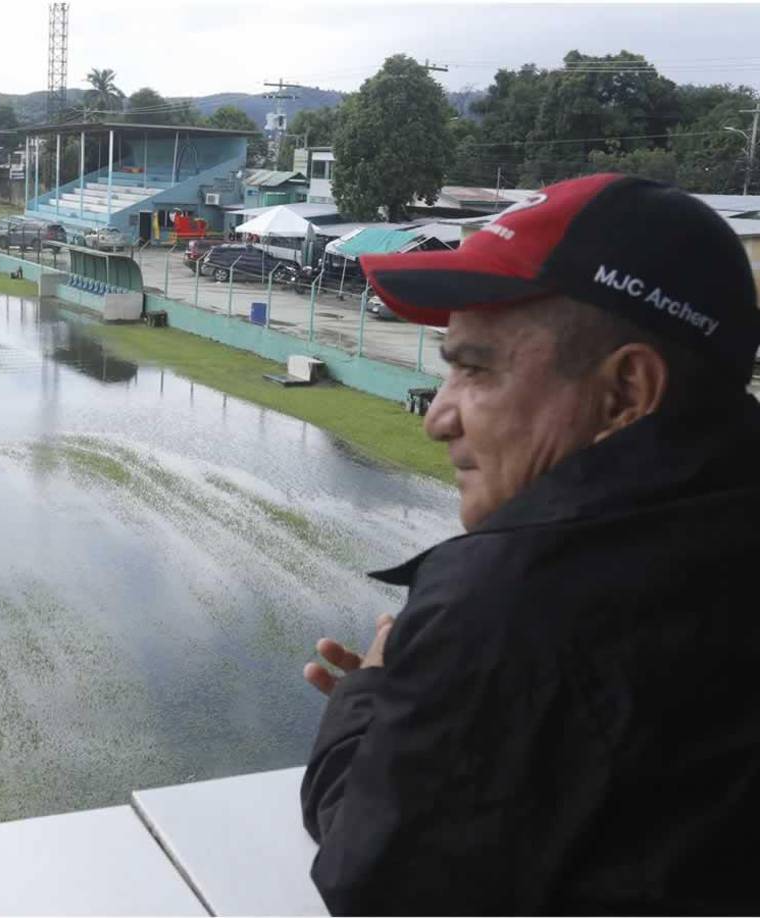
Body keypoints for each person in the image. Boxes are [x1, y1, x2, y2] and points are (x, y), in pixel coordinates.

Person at [300, 174, 760, 914]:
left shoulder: (504, 604)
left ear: (626, 393)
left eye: (474, 369)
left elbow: (376, 881)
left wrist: (373, 693)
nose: (436, 418)